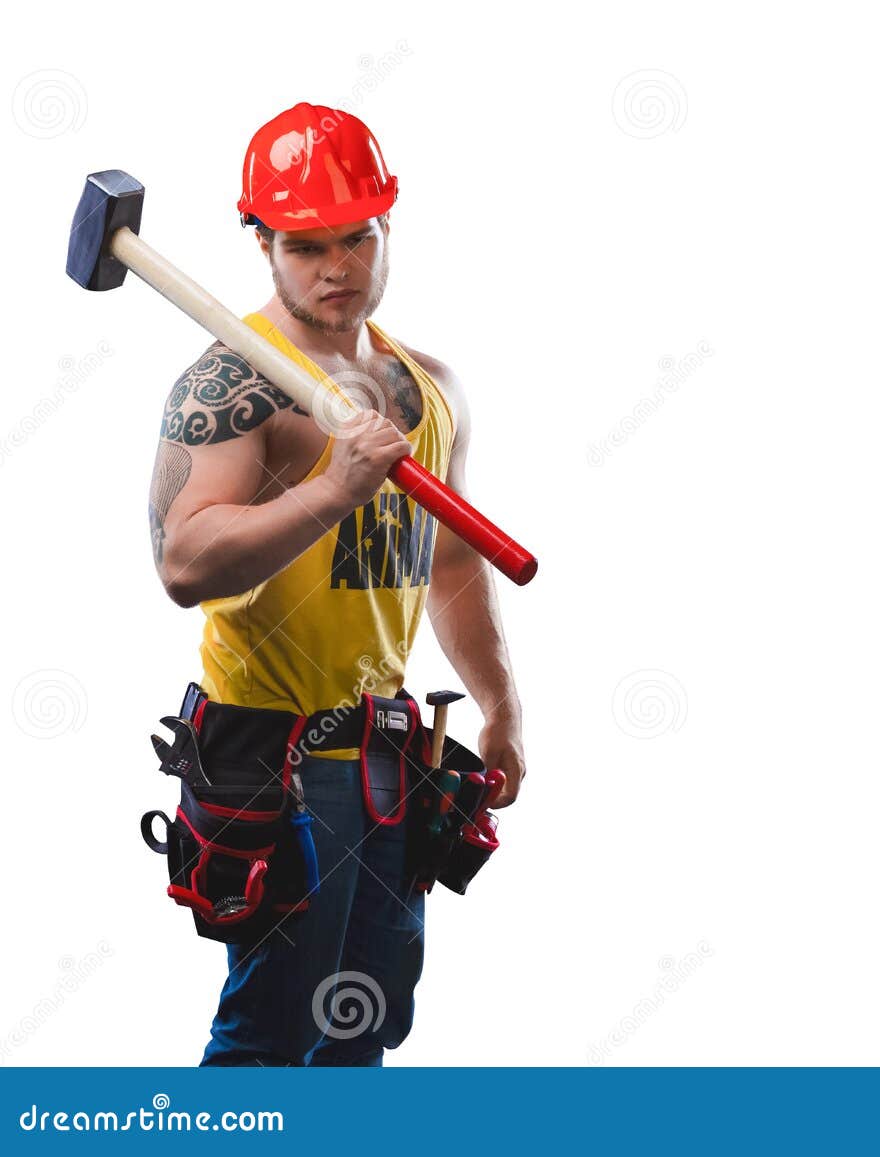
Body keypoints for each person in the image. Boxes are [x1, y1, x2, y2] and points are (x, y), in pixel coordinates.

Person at [146, 101, 526, 1065]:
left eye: (357, 238)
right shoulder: (233, 383)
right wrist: (333, 487)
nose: (337, 269)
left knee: (365, 1023)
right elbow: (185, 564)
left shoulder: (425, 385)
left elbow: (447, 563)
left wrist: (500, 705)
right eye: (307, 245)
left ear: (386, 226)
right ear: (263, 242)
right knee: (267, 1033)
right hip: (271, 752)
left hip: (390, 750)